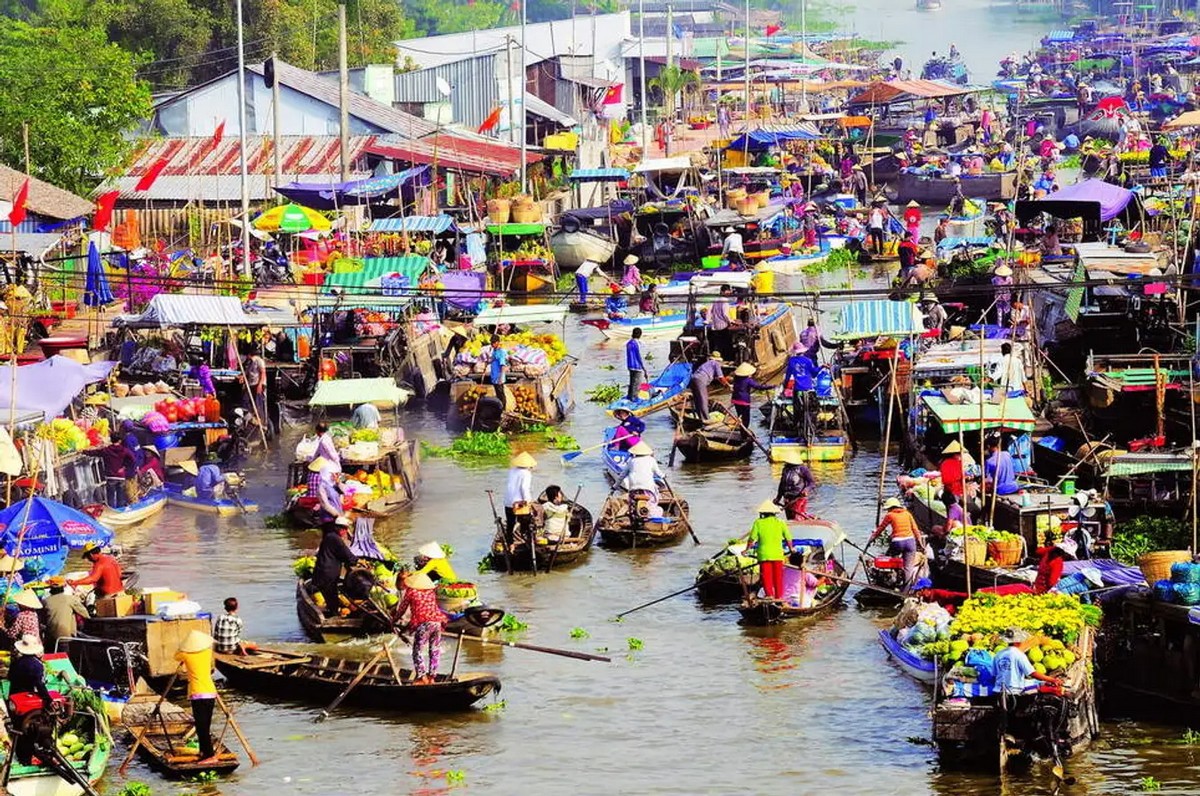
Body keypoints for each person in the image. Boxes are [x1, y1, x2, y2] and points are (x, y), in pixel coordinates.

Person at [174, 630, 220, 764]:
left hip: (198, 694)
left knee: (201, 727)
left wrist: (183, 647)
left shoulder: (185, 655)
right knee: (205, 725)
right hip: (211, 692)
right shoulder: (207, 652)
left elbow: (175, 656)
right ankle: (203, 751)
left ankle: (210, 756)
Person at [393, 572, 448, 685]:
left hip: (424, 623)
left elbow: (402, 609)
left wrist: (393, 620)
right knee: (434, 649)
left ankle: (421, 677)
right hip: (437, 622)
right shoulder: (430, 592)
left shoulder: (411, 591)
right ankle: (432, 677)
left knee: (417, 650)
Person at [868, 498, 926, 590]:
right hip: (910, 542)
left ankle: (892, 581)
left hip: (897, 542)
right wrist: (920, 544)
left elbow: (881, 528)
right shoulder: (907, 514)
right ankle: (906, 589)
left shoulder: (890, 515)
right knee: (908, 567)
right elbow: (915, 529)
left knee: (890, 560)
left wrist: (872, 538)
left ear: (890, 508)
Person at [744, 500, 794, 600]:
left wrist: (746, 550)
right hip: (777, 554)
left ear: (762, 513)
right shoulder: (780, 523)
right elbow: (788, 537)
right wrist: (791, 549)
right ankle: (779, 597)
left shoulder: (758, 522)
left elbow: (752, 539)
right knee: (778, 577)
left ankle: (769, 596)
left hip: (764, 554)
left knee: (767, 577)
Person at [313, 516, 358, 617]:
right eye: (346, 529)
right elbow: (347, 555)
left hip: (322, 572)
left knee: (330, 596)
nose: (346, 531)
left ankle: (333, 612)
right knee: (332, 597)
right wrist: (357, 561)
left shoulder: (329, 537)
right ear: (340, 529)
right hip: (328, 574)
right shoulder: (335, 539)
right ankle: (334, 615)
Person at [994, 630, 1062, 695]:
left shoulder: (998, 654)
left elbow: (994, 673)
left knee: (1039, 682)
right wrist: (1052, 679)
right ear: (1017, 642)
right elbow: (1032, 673)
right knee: (1044, 687)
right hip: (1014, 691)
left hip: (998, 689)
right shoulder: (1019, 654)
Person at [81, 438, 136, 508]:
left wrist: (84, 451)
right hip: (120, 476)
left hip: (110, 476)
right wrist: (124, 467)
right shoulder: (124, 450)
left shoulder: (106, 450)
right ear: (119, 441)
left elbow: (95, 452)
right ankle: (121, 512)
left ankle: (112, 511)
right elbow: (133, 459)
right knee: (120, 497)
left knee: (111, 497)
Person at [43, 577, 87, 653]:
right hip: (65, 637)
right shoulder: (70, 599)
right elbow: (86, 614)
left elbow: (43, 619)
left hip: (50, 636)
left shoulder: (45, 601)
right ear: (63, 587)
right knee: (66, 657)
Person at [8, 635, 51, 708]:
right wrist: (48, 699)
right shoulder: (37, 665)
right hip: (27, 696)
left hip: (13, 695)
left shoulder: (15, 662)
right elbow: (39, 684)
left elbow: (10, 676)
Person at [689, 351, 731, 423]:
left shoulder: (707, 364)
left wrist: (725, 383)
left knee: (697, 400)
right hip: (700, 380)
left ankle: (700, 417)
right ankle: (706, 419)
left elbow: (717, 378)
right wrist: (728, 385)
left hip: (693, 379)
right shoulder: (715, 363)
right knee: (703, 400)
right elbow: (721, 377)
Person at [504, 452, 536, 545]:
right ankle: (526, 540)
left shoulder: (512, 471)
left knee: (510, 523)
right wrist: (528, 500)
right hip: (520, 502)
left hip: (508, 501)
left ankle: (510, 543)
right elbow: (524, 488)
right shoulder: (526, 473)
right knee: (526, 522)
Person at [775, 450, 815, 520]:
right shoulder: (785, 469)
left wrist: (806, 490)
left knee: (797, 518)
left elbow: (811, 483)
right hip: (787, 499)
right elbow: (782, 484)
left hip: (798, 498)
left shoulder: (803, 469)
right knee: (790, 519)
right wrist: (778, 498)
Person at [730, 362, 770, 427]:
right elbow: (758, 387)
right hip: (744, 401)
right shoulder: (748, 380)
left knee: (740, 416)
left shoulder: (736, 379)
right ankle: (744, 434)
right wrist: (770, 386)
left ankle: (742, 431)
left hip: (735, 400)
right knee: (746, 419)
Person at [306, 457, 344, 523]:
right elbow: (325, 505)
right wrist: (338, 515)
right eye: (334, 473)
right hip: (329, 518)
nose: (336, 475)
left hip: (338, 516)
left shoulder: (333, 484)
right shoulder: (322, 486)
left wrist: (338, 483)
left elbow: (348, 491)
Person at [242, 348, 269, 437]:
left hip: (258, 384)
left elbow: (263, 373)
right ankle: (251, 420)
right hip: (251, 385)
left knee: (258, 404)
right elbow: (247, 373)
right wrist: (242, 377)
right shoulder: (250, 362)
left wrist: (260, 385)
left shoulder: (259, 361)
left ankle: (260, 422)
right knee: (247, 402)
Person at [706, 286, 734, 356]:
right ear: (723, 292)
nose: (729, 293)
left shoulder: (715, 300)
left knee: (717, 345)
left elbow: (709, 311)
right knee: (726, 344)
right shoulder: (725, 301)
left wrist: (707, 320)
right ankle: (727, 357)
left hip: (715, 326)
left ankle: (716, 357)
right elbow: (725, 314)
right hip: (723, 327)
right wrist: (730, 322)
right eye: (728, 291)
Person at [626, 327, 647, 402]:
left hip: (630, 365)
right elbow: (639, 356)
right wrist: (644, 368)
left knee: (632, 382)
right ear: (639, 335)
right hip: (637, 366)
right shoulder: (637, 344)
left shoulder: (629, 343)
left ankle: (629, 395)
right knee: (637, 384)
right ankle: (634, 398)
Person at [488, 334, 509, 410]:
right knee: (498, 393)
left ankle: (503, 409)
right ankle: (499, 408)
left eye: (494, 342)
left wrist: (500, 378)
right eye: (491, 343)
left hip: (499, 377)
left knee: (501, 394)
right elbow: (493, 359)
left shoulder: (501, 352)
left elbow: (503, 366)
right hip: (494, 376)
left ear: (498, 342)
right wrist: (490, 360)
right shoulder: (495, 351)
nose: (492, 344)